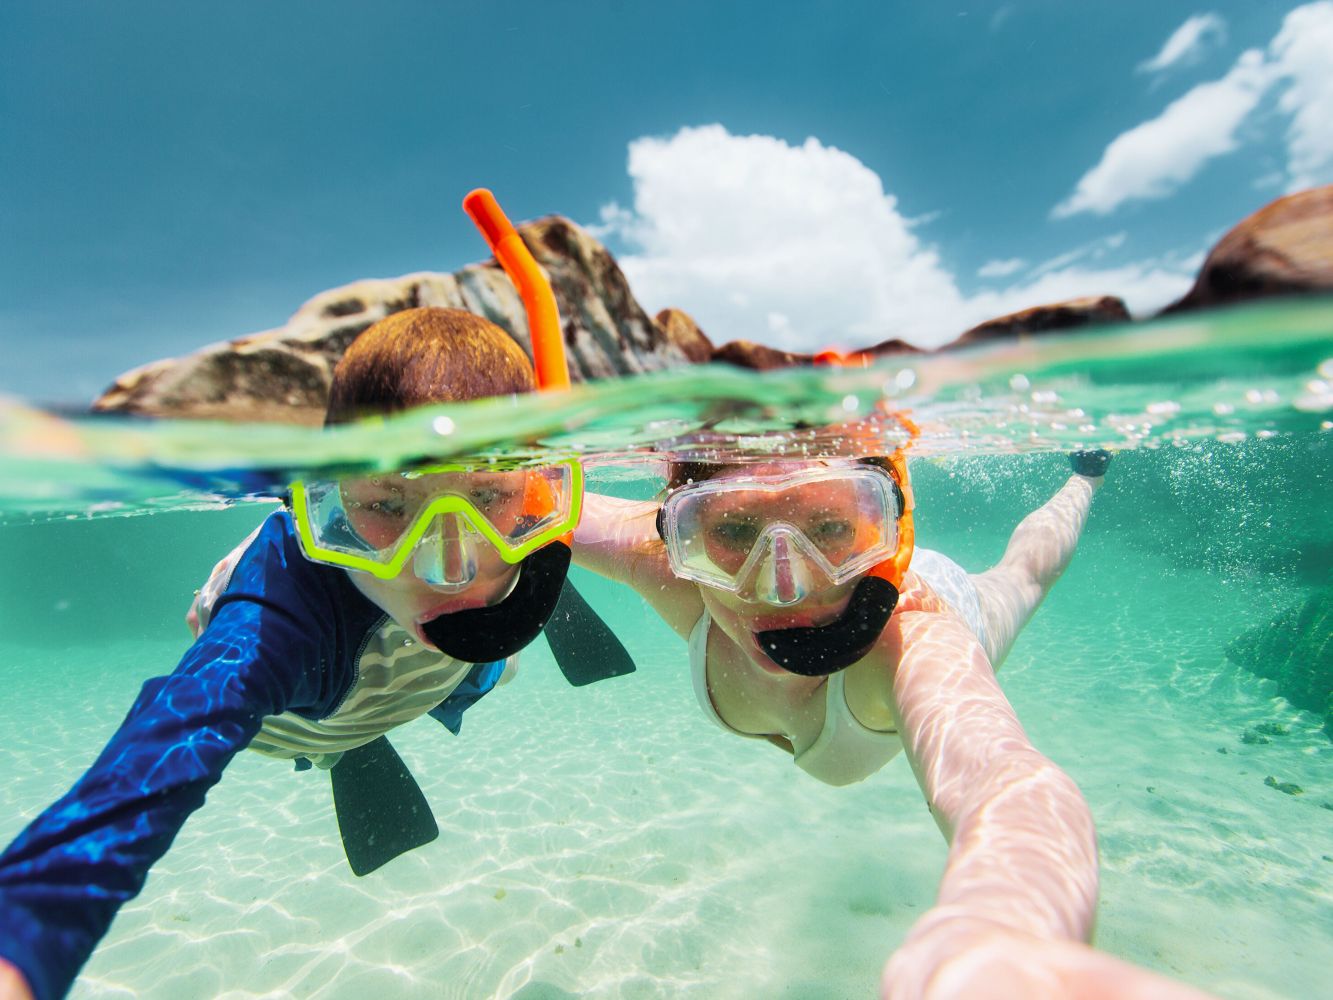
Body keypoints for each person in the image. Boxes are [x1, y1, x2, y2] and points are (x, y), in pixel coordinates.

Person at [0, 306, 589, 1000]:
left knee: (485, 665)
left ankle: (385, 714)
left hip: (429, 676)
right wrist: (22, 950)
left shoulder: (530, 530)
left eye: (487, 495)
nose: (447, 569)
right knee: (347, 689)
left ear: (533, 489)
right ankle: (343, 749)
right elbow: (156, 757)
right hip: (299, 717)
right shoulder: (280, 619)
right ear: (325, 496)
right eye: (388, 505)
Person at [574, 436, 1216, 999]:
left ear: (886, 525)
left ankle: (1087, 475)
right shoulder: (661, 564)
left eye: (828, 527)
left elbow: (1004, 778)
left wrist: (1002, 934)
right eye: (737, 532)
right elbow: (536, 503)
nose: (784, 588)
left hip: (938, 602)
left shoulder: (915, 645)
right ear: (678, 533)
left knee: (1025, 574)